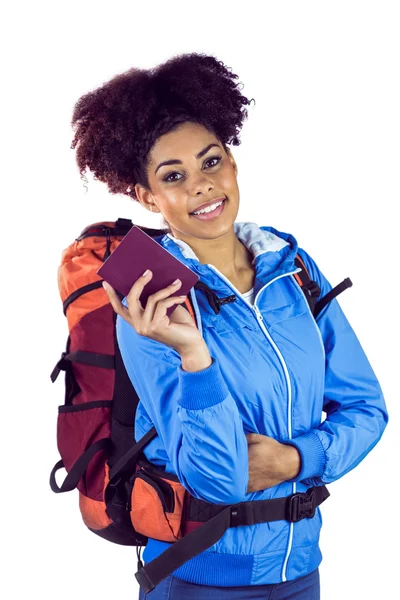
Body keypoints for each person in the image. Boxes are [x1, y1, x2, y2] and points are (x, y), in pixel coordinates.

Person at [71, 52, 388, 599]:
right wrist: (194, 356)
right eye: (174, 176)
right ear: (147, 197)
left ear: (233, 163)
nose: (201, 186)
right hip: (197, 578)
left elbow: (367, 409)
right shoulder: (148, 304)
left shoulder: (293, 269)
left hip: (299, 572)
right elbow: (217, 480)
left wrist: (296, 458)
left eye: (210, 162)